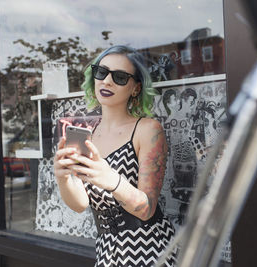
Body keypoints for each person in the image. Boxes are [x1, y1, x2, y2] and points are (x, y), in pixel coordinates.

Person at [53, 45, 177, 267]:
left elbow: (147, 209)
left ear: (136, 88)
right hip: (107, 249)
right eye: (101, 72)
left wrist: (111, 179)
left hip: (148, 248)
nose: (107, 81)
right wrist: (63, 177)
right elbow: (81, 203)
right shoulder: (87, 133)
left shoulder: (147, 129)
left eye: (120, 77)